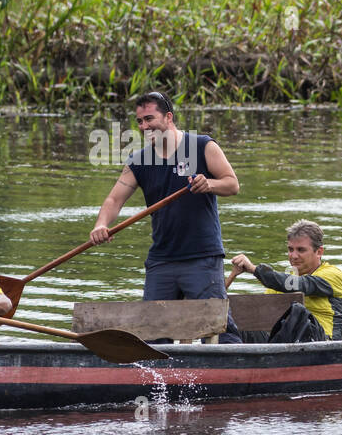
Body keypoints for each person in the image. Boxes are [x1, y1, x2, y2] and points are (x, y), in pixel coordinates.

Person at [89, 91, 239, 303]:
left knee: (217, 330)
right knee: (154, 331)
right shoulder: (138, 161)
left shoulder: (202, 146)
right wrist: (100, 225)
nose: (143, 127)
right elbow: (114, 200)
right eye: (139, 121)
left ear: (168, 117)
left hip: (202, 257)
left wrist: (209, 184)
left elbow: (232, 184)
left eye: (149, 119)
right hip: (162, 259)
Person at [230, 220, 342, 341]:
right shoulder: (284, 281)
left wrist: (254, 270)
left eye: (301, 250)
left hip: (324, 340)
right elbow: (260, 308)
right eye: (290, 249)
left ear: (319, 252)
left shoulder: (333, 275)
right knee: (241, 323)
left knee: (298, 312)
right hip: (289, 340)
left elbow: (300, 285)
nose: (294, 256)